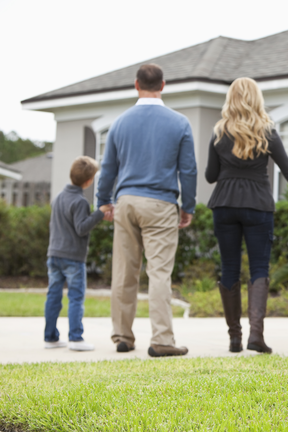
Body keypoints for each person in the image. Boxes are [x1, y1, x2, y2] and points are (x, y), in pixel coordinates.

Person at [205, 77, 288, 354]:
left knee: (229, 268)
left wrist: (229, 168)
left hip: (224, 204)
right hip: (258, 205)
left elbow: (211, 176)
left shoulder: (219, 132)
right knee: (259, 269)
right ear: (257, 99)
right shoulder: (266, 132)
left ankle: (234, 338)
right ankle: (255, 336)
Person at [97, 63, 197, 358]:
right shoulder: (179, 123)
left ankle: (123, 337)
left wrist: (103, 200)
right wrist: (187, 206)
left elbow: (107, 169)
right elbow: (188, 170)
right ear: (163, 85)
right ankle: (162, 339)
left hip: (126, 202)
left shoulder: (119, 122)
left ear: (136, 84)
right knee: (159, 273)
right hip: (160, 203)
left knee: (124, 273)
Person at [45, 156, 112, 351]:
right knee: (75, 297)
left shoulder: (58, 198)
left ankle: (50, 337)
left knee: (53, 296)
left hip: (53, 254)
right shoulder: (80, 202)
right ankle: (75, 338)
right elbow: (81, 228)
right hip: (72, 257)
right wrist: (99, 213)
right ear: (89, 181)